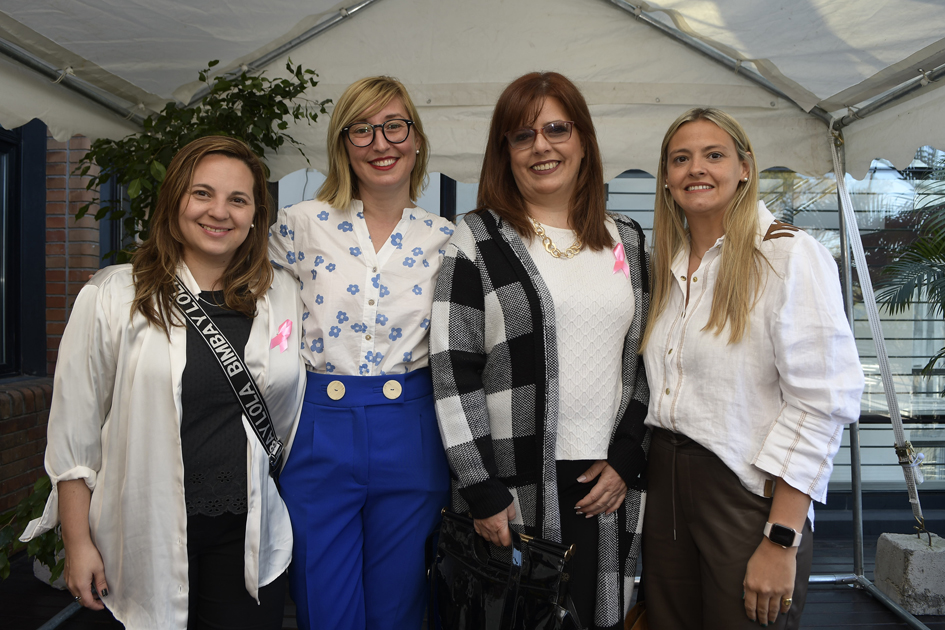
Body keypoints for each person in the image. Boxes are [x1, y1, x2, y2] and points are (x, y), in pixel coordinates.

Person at [20, 136, 306, 629]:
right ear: (174, 200)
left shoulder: (282, 295)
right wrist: (77, 542)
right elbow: (74, 434)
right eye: (202, 193)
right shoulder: (113, 295)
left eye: (238, 199)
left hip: (249, 537)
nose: (219, 211)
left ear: (256, 216)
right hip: (140, 536)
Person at [430, 72, 650, 630]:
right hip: (512, 484)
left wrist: (628, 457)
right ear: (504, 151)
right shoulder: (475, 239)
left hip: (605, 484)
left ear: (584, 140)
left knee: (598, 619)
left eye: (556, 129)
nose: (541, 146)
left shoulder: (627, 239)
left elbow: (647, 358)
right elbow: (454, 373)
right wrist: (481, 489)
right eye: (523, 135)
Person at [641, 107, 864, 629]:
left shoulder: (789, 257)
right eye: (681, 159)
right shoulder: (665, 265)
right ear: (667, 178)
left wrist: (781, 539)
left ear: (744, 168)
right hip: (665, 486)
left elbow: (823, 403)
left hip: (746, 497)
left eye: (713, 155)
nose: (696, 168)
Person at [268, 76, 453, 630]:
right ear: (343, 143)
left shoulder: (448, 239)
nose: (381, 143)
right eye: (363, 130)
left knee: (399, 609)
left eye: (394, 126)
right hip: (318, 428)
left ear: (416, 139)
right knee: (323, 606)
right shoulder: (299, 225)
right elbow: (262, 320)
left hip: (412, 429)